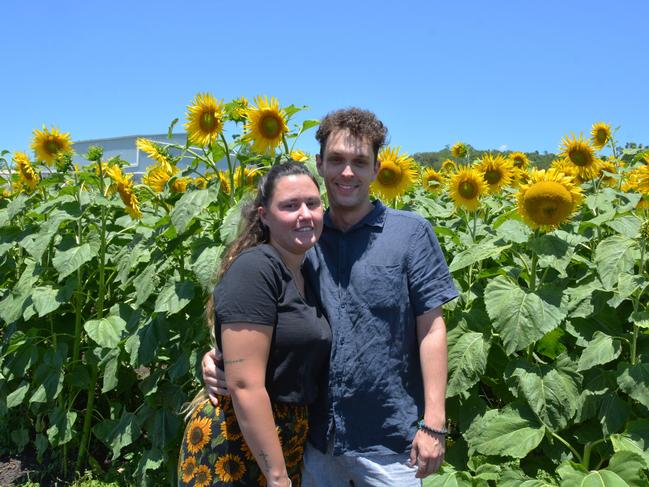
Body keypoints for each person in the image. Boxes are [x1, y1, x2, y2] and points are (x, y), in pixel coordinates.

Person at [203, 108, 458, 486]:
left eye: (359, 161)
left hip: (390, 442)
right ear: (320, 164)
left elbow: (431, 329)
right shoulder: (303, 240)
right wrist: (216, 359)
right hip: (315, 440)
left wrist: (434, 422)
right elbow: (258, 314)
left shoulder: (410, 234)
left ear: (376, 168)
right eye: (337, 159)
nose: (347, 172)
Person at [179, 162, 331, 487]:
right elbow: (245, 385)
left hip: (278, 441)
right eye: (290, 205)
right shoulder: (256, 269)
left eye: (312, 203)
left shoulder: (307, 272)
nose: (305, 213)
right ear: (264, 215)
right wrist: (277, 477)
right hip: (235, 443)